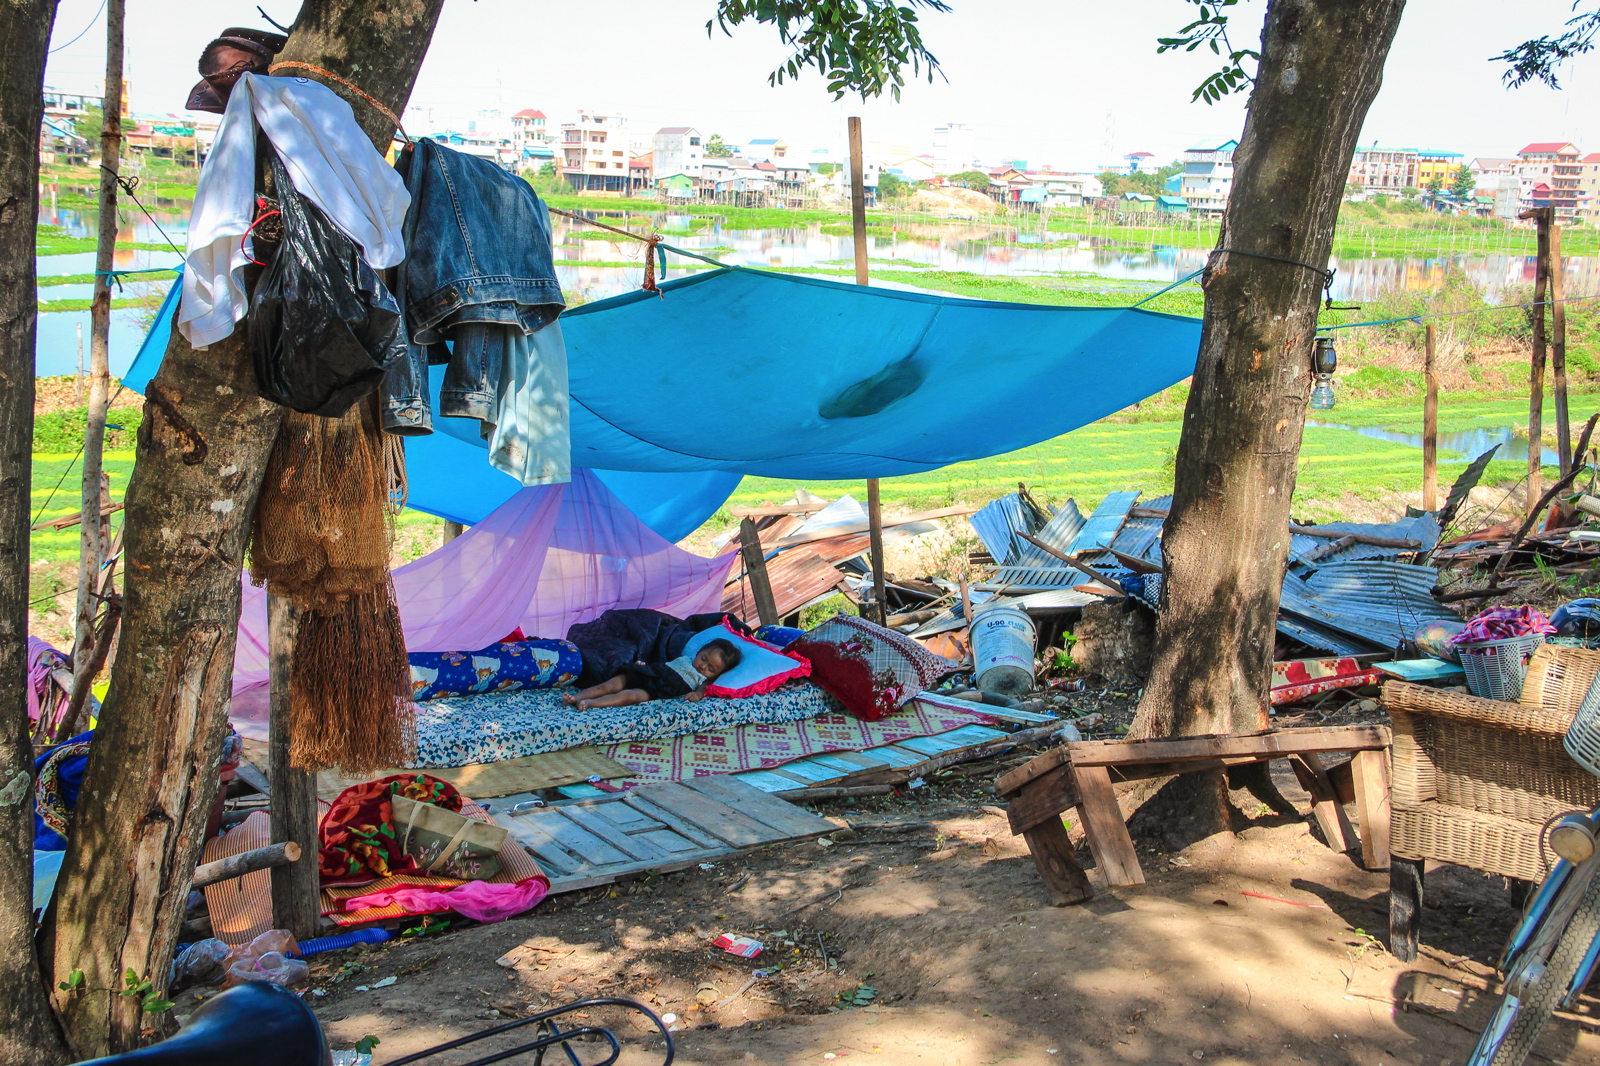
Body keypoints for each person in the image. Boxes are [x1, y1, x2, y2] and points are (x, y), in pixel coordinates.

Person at [561, 639, 742, 710]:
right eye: (703, 659)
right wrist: (644, 666)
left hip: (657, 691)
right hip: (649, 674)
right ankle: (575, 696)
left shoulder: (703, 679)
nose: (703, 667)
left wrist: (697, 694)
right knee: (611, 685)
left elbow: (703, 689)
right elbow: (664, 666)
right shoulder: (686, 659)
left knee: (628, 696)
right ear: (700, 652)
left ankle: (589, 703)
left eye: (711, 668)